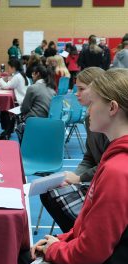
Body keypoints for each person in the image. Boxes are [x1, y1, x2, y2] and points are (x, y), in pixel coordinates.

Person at [0, 68, 128, 264]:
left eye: (92, 103)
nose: (87, 110)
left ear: (112, 108)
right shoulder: (113, 157)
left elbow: (94, 250)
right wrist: (59, 241)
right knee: (18, 257)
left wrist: (55, 249)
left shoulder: (117, 170)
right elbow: (86, 227)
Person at [40, 67, 109, 232]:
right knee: (48, 192)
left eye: (81, 89)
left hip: (106, 183)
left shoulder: (108, 122)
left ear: (97, 88)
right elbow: (89, 158)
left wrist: (79, 178)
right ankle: (76, 235)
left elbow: (107, 165)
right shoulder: (89, 118)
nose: (76, 93)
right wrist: (75, 176)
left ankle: (80, 235)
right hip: (96, 177)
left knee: (54, 196)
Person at [16, 65, 55, 144]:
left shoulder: (32, 88)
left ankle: (24, 149)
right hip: (49, 122)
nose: (32, 76)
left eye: (33, 74)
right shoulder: (52, 89)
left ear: (37, 74)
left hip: (34, 121)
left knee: (18, 121)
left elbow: (24, 108)